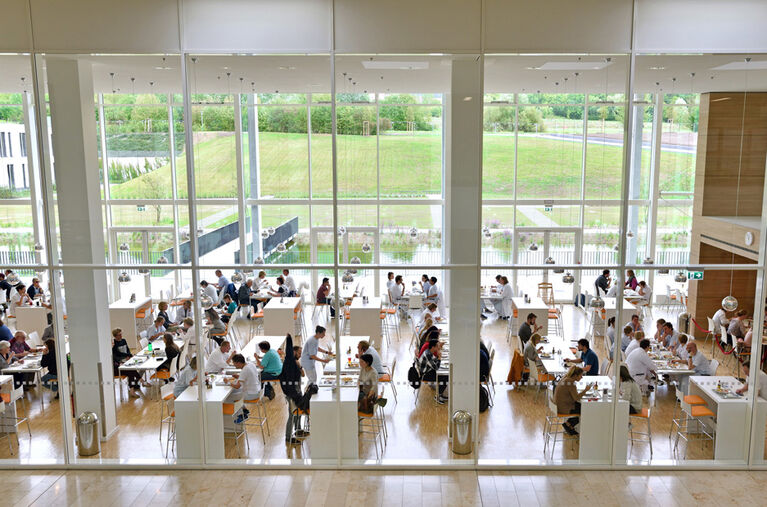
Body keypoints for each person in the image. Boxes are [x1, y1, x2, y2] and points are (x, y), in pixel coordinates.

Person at [554, 366, 594, 436]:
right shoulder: (571, 382)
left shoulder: (565, 378)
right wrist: (585, 390)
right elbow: (576, 398)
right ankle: (569, 425)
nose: (582, 377)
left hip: (559, 405)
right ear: (575, 375)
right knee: (586, 409)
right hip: (564, 408)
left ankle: (569, 424)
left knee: (581, 407)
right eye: (581, 375)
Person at [111, 328, 143, 398]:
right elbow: (117, 355)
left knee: (131, 371)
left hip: (125, 360)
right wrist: (125, 357)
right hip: (117, 367)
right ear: (115, 336)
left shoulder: (123, 340)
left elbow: (128, 350)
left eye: (121, 334)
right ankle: (140, 381)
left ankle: (133, 388)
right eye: (119, 335)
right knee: (131, 371)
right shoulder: (114, 346)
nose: (121, 336)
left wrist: (129, 355)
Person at [419, 338, 448, 404]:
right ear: (433, 347)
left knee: (444, 376)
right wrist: (440, 358)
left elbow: (435, 361)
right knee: (445, 377)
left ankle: (440, 394)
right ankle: (438, 396)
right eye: (437, 346)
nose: (439, 347)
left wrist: (438, 357)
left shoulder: (429, 351)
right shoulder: (428, 354)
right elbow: (436, 367)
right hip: (424, 375)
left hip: (428, 370)